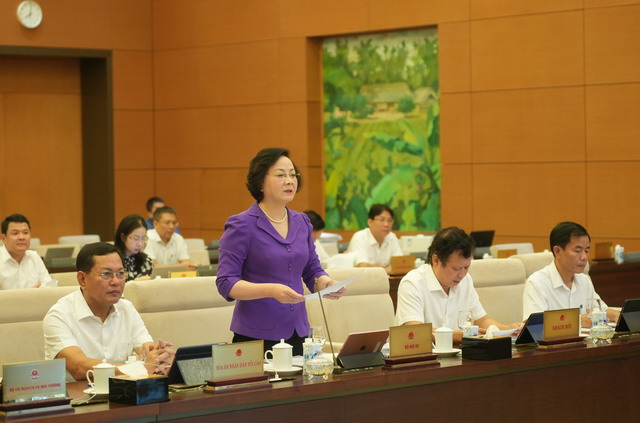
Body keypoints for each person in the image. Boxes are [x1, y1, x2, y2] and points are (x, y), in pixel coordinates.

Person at [216, 148, 344, 356]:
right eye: (280, 175)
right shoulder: (242, 225)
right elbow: (226, 283)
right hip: (255, 336)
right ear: (260, 181)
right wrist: (271, 290)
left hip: (299, 332)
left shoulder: (302, 222)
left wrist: (326, 283)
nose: (289, 181)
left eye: (293, 175)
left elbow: (312, 270)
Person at [43, 242, 174, 381]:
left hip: (122, 390)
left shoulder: (127, 309)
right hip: (75, 393)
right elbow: (79, 367)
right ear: (82, 279)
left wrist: (158, 357)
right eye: (106, 274)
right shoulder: (59, 316)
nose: (116, 281)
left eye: (121, 273)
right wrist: (140, 369)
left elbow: (146, 348)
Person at [395, 226, 522, 345]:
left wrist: (509, 329)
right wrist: (457, 336)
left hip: (457, 353)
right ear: (436, 260)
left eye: (466, 267)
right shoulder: (413, 283)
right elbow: (415, 330)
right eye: (456, 268)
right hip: (422, 356)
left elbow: (482, 320)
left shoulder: (466, 280)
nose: (462, 274)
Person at [522, 222, 619, 327]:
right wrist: (579, 321)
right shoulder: (537, 283)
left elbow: (601, 310)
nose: (584, 257)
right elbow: (535, 326)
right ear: (558, 251)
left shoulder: (584, 280)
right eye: (578, 251)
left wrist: (615, 315)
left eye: (587, 251)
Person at [346, 204, 404, 274]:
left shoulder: (392, 237)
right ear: (370, 222)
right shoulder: (360, 237)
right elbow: (362, 266)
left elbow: (399, 263)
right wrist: (385, 269)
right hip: (361, 278)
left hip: (386, 278)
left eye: (390, 220)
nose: (386, 224)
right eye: (382, 220)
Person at [0, 213, 52, 289]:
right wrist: (28, 293)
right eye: (15, 233)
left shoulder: (34, 256)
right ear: (3, 238)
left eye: (25, 233)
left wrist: (38, 291)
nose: (22, 237)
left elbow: (50, 285)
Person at [114, 214, 153, 281]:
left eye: (143, 238)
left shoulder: (146, 261)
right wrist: (134, 283)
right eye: (136, 238)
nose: (140, 244)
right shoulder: (113, 260)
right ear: (123, 237)